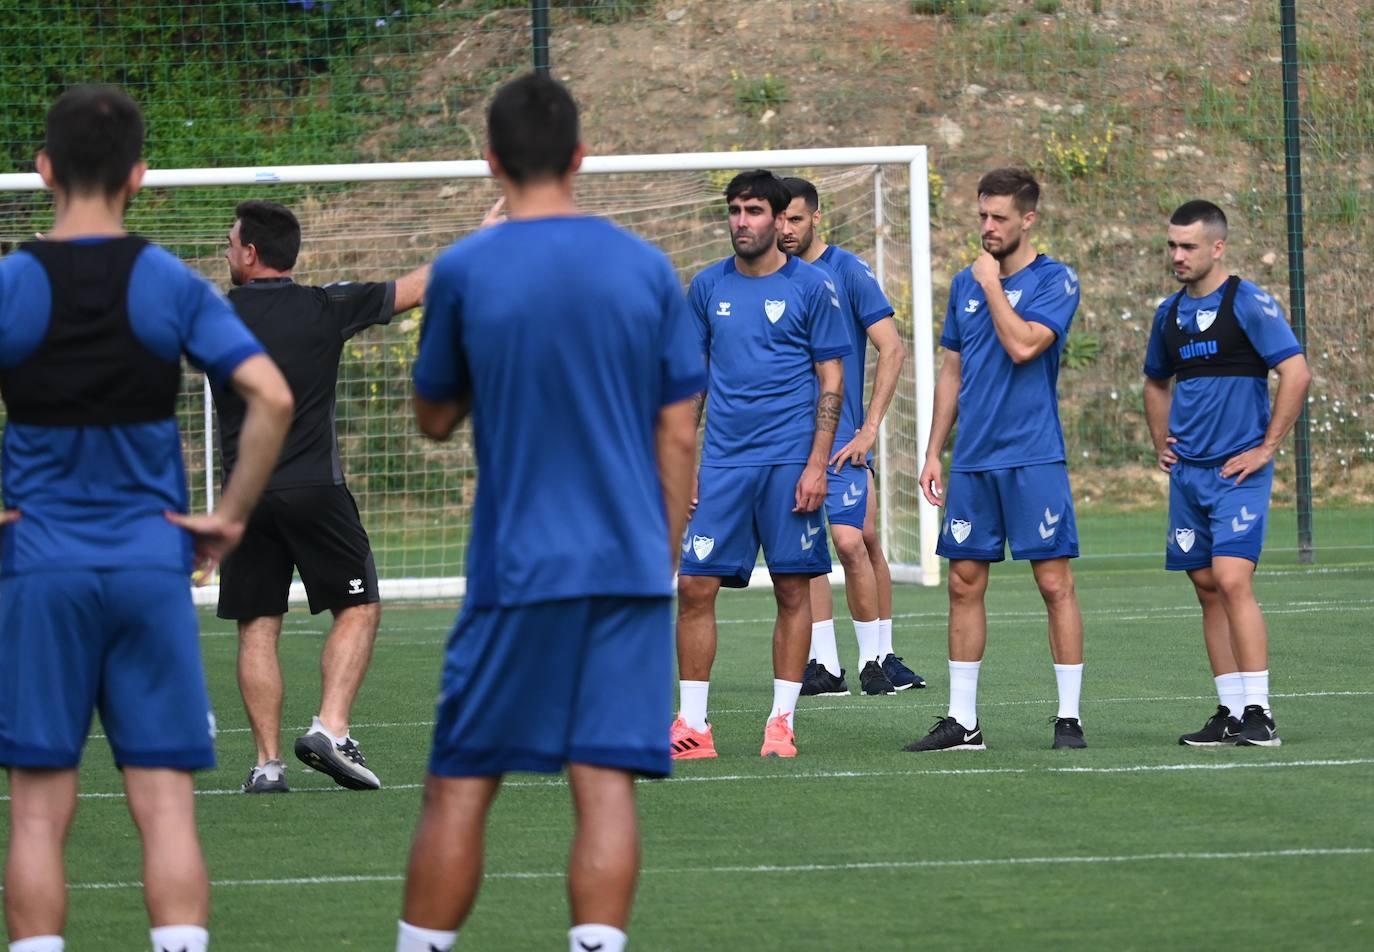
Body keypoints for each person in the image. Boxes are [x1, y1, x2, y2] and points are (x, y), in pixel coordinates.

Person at [395, 73, 702, 952]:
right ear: (580, 156)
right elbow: (677, 432)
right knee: (604, 785)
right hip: (627, 567)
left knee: (460, 784)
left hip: (518, 571)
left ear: (490, 160)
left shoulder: (463, 268)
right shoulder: (645, 267)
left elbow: (433, 416)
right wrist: (663, 552)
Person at [0, 85, 292, 952]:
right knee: (164, 807)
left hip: (40, 569)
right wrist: (229, 517)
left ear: (43, 170)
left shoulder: (13, 283)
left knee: (37, 814)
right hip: (146, 566)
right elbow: (270, 396)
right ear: (140, 176)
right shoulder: (166, 281)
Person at [212, 199, 431, 793]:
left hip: (245, 497)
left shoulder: (214, 315)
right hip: (314, 490)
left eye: (230, 244)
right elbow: (417, 287)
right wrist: (491, 239)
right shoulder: (325, 304)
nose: (226, 253)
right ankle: (330, 730)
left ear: (251, 254)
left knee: (258, 626)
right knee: (358, 607)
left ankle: (266, 767)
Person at [671, 170, 849, 761]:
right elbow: (692, 382)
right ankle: (692, 727)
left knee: (794, 589)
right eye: (734, 210)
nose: (741, 221)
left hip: (789, 463)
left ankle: (782, 722)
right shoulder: (706, 287)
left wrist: (817, 463)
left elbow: (832, 378)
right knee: (694, 586)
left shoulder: (813, 286)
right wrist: (683, 461)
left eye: (752, 211)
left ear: (778, 220)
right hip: (723, 463)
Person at [908, 167, 1087, 753]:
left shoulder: (1055, 280)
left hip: (1033, 456)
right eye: (982, 214)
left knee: (1054, 583)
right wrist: (935, 450)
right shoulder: (965, 283)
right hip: (974, 461)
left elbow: (1024, 344)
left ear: (1028, 219)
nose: (987, 226)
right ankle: (964, 723)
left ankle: (1068, 719)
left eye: (999, 217)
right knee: (962, 583)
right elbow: (953, 370)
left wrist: (990, 285)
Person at [1144, 200, 1310, 748]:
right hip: (1188, 476)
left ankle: (1261, 712)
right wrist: (1159, 441)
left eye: (1188, 246)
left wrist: (1267, 448)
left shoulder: (1249, 303)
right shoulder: (1168, 315)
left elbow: (1295, 372)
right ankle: (1231, 710)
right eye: (1172, 245)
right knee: (1208, 588)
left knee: (1233, 580)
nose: (1177, 255)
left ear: (1218, 247)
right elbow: (1155, 382)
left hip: (1239, 471)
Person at [777, 176, 925, 697]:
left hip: (841, 439)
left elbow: (893, 348)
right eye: (780, 218)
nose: (786, 228)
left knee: (854, 541)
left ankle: (877, 658)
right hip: (787, 442)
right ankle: (827, 665)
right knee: (808, 549)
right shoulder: (767, 279)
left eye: (796, 218)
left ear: (817, 217)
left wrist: (868, 430)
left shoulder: (846, 270)